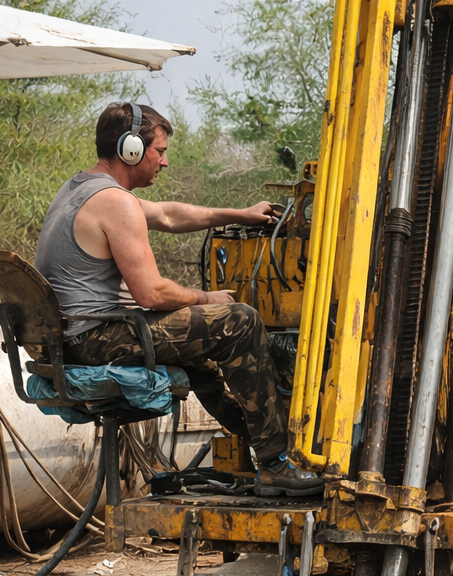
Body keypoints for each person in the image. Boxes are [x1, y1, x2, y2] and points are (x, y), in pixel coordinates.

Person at [35, 101, 322, 497]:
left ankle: (266, 442)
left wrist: (240, 214)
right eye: (160, 151)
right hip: (95, 341)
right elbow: (151, 293)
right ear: (130, 149)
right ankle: (275, 463)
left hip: (75, 338)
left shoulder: (82, 189)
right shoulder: (117, 204)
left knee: (201, 352)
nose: (164, 162)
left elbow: (169, 215)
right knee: (239, 322)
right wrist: (206, 297)